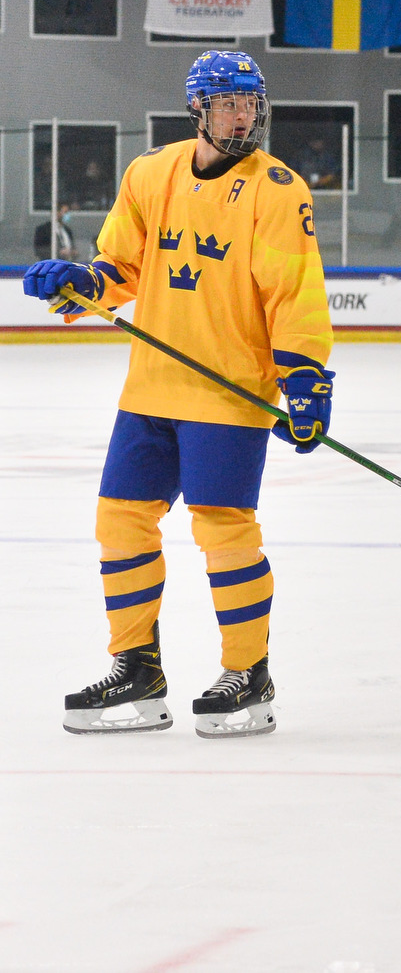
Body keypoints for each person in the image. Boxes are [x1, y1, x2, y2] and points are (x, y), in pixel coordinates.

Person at [20, 51, 332, 738]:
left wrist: (305, 377)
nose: (244, 116)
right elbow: (119, 268)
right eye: (229, 103)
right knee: (119, 518)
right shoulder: (149, 173)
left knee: (222, 528)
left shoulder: (279, 189)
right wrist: (78, 280)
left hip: (229, 391)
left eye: (252, 103)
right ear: (198, 108)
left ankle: (248, 675)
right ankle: (137, 669)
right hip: (152, 389)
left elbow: (295, 295)